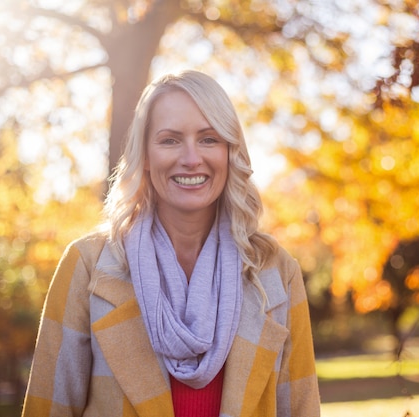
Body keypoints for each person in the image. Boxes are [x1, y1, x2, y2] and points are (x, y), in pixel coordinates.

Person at [21, 70, 321, 417]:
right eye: (170, 140)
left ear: (230, 151)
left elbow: (301, 410)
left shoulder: (276, 272)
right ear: (145, 157)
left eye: (209, 139)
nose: (192, 158)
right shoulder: (89, 266)